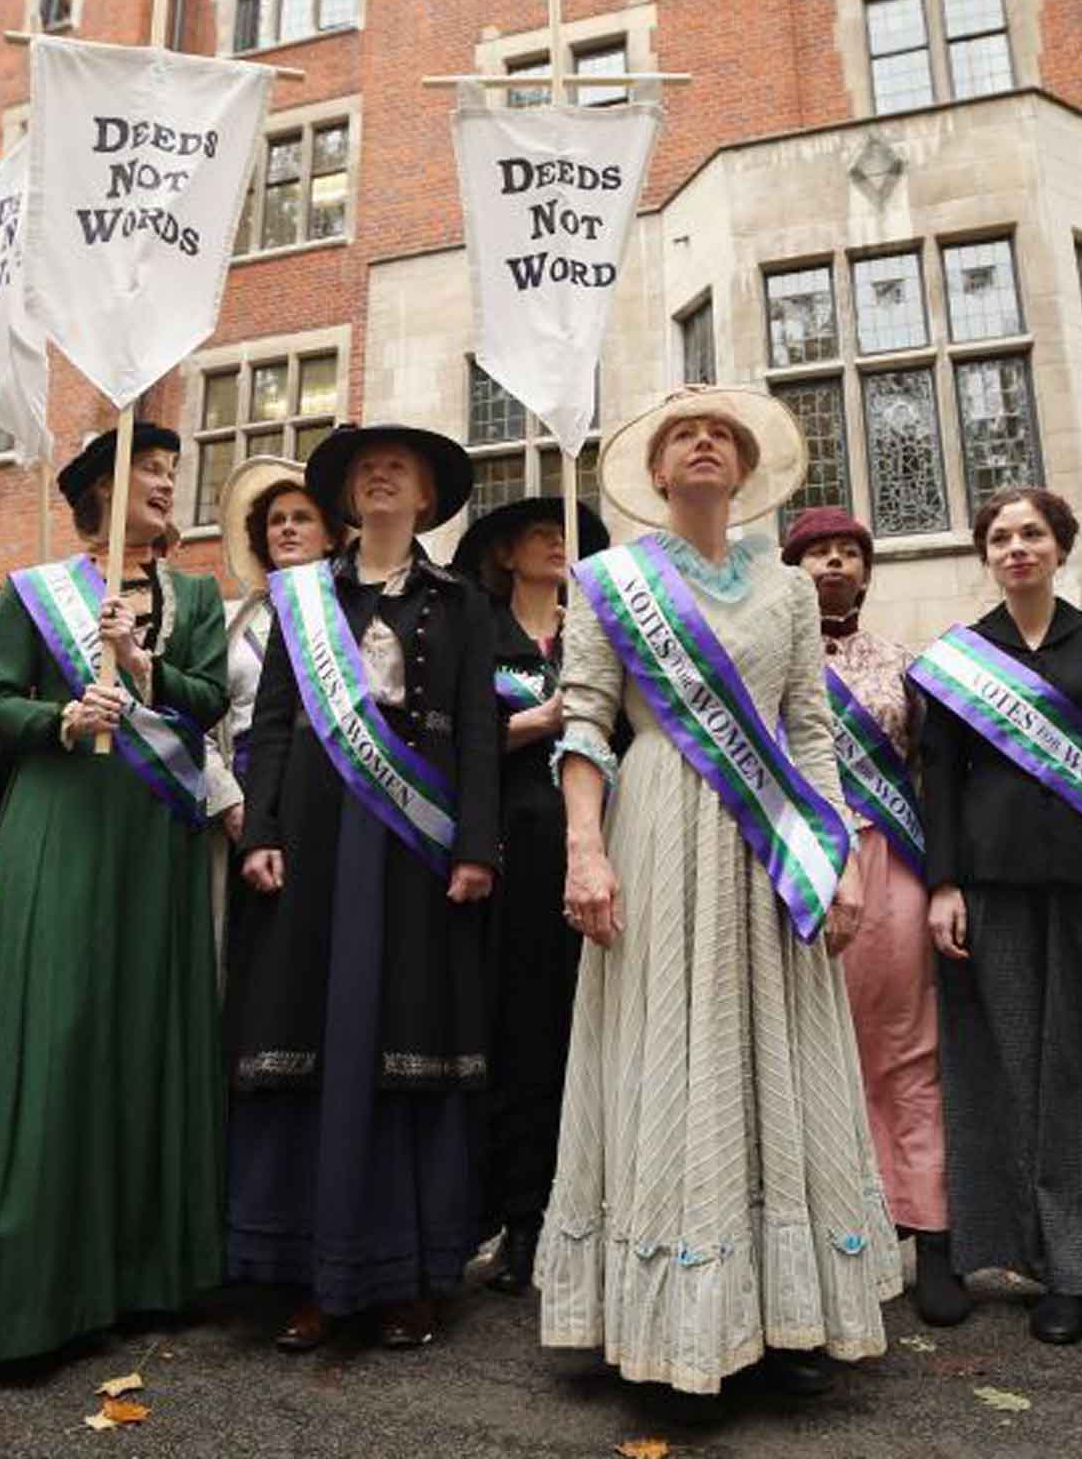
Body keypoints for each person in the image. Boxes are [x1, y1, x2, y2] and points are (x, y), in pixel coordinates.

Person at [540, 386, 899, 1407]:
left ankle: (784, 1315)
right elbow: (584, 724)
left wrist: (838, 856)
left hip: (770, 842)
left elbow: (811, 731)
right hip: (651, 825)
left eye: (721, 438)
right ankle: (655, 1314)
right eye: (682, 438)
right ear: (655, 475)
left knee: (769, 1050)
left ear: (743, 471)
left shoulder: (788, 594)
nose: (702, 447)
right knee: (663, 1045)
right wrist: (582, 851)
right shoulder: (607, 580)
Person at [0, 423, 228, 1366]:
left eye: (171, 472)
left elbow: (206, 700)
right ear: (97, 490)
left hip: (153, 833)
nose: (166, 483)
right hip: (61, 818)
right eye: (148, 471)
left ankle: (137, 1269)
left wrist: (139, 665)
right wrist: (63, 713)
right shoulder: (34, 595)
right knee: (56, 1022)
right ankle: (25, 1285)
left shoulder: (193, 593)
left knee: (139, 1029)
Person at [229, 424, 499, 1352]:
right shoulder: (302, 597)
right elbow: (269, 725)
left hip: (415, 844)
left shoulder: (460, 602)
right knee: (312, 1032)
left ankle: (403, 1274)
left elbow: (473, 726)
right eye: (363, 470)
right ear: (347, 498)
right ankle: (310, 1270)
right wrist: (260, 827)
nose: (379, 476)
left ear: (427, 496)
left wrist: (476, 845)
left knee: (406, 1037)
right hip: (312, 828)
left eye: (400, 467)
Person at [916, 486, 1082, 1351]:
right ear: (986, 554)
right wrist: (943, 883)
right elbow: (940, 785)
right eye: (1000, 536)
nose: (1017, 547)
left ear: (1061, 547)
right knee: (1008, 1075)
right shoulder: (962, 656)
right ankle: (1045, 1271)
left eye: (1032, 533)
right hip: (993, 891)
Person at [779, 505, 963, 1327]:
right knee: (813, 1052)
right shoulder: (762, 666)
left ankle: (931, 1230)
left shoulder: (903, 665)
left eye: (849, 553)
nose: (834, 565)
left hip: (890, 863)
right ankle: (828, 1235)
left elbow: (934, 777)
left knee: (906, 1051)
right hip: (799, 865)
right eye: (818, 553)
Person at [449, 494, 608, 1295]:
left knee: (587, 1033)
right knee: (518, 1035)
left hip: (593, 853)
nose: (556, 542)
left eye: (566, 536)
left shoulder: (597, 633)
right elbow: (452, 735)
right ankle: (520, 1216)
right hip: (510, 851)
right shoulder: (480, 633)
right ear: (505, 554)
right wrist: (541, 719)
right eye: (540, 533)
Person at [202, 458, 343, 987]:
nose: (286, 527)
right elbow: (199, 720)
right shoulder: (232, 623)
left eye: (302, 517)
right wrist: (232, 801)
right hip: (242, 801)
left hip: (324, 794)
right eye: (276, 519)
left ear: (331, 535)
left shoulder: (348, 612)